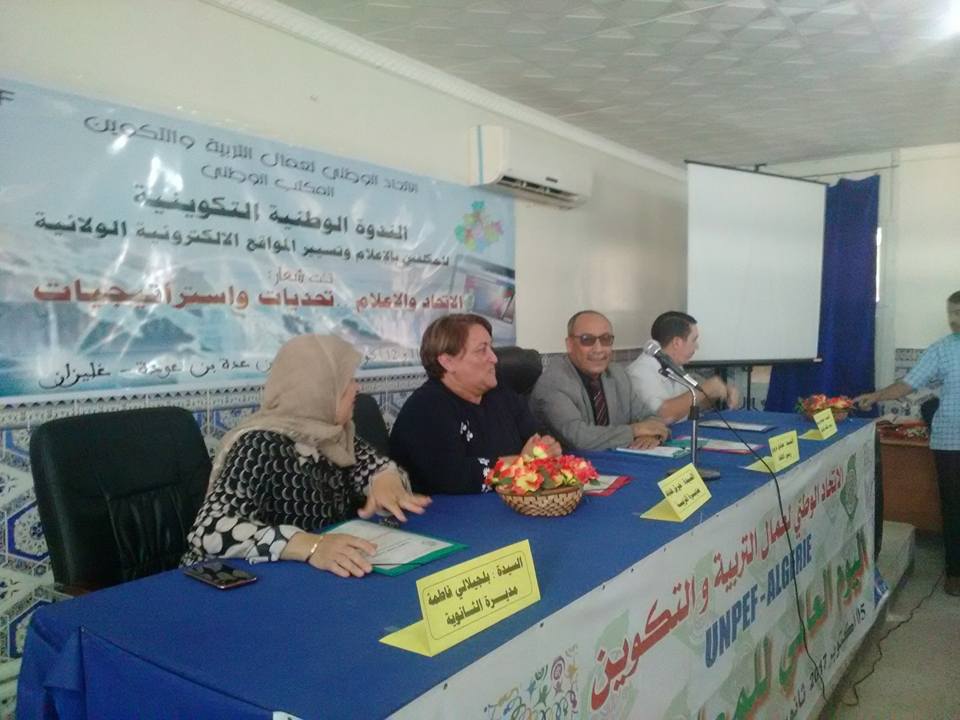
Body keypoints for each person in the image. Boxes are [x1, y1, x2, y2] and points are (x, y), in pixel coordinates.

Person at [181, 334, 431, 578]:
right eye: (346, 381)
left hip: (310, 577)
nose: (357, 388)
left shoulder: (332, 434)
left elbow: (375, 467)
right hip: (239, 583)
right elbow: (210, 530)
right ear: (317, 390)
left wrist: (386, 479)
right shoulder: (259, 445)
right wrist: (311, 546)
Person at [855, 290, 960, 596]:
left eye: (959, 313)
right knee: (953, 506)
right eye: (951, 313)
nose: (954, 320)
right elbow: (908, 383)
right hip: (950, 440)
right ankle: (955, 573)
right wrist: (876, 396)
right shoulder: (942, 350)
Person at [389, 313, 561, 494]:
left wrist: (547, 449)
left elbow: (537, 439)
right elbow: (453, 478)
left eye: (491, 348)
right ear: (448, 362)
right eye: (482, 350)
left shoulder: (500, 393)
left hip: (510, 502)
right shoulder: (425, 409)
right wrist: (521, 463)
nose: (494, 358)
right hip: (449, 509)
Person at [529, 310, 669, 451]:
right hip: (571, 462)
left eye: (606, 339)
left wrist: (651, 436)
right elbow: (579, 438)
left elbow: (650, 417)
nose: (598, 349)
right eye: (587, 340)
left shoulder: (617, 374)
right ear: (569, 345)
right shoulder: (554, 383)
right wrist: (634, 431)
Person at [627, 311, 740, 424]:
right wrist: (706, 389)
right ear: (677, 343)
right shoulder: (640, 372)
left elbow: (691, 405)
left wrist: (719, 393)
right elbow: (662, 416)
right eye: (694, 340)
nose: (697, 346)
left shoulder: (673, 364)